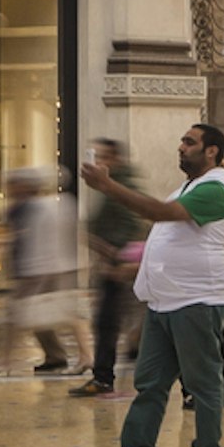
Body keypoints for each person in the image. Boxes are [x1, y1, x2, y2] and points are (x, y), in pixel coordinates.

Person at [87, 121, 224, 447]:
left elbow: (159, 213)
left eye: (189, 142)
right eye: (181, 141)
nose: (180, 147)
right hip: (166, 301)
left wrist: (109, 185)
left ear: (211, 152)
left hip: (198, 300)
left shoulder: (217, 188)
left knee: (203, 384)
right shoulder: (190, 186)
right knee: (151, 382)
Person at [2, 163, 87, 375]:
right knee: (45, 315)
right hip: (51, 268)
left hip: (52, 269)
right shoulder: (45, 206)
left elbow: (48, 242)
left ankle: (85, 356)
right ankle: (57, 355)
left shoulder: (52, 206)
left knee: (66, 314)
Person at [80, 138, 144, 395]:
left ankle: (103, 377)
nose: (99, 162)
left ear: (115, 159)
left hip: (119, 265)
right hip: (115, 264)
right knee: (113, 322)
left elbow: (134, 220)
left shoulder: (120, 187)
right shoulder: (112, 188)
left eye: (104, 157)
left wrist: (115, 254)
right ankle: (106, 373)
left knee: (108, 323)